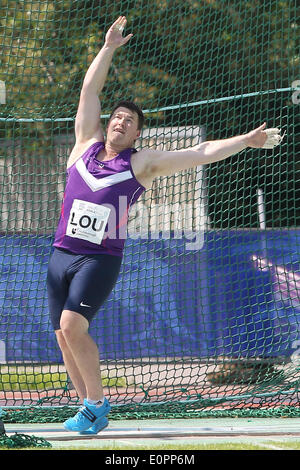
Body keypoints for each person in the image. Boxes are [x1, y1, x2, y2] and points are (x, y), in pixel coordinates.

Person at [46, 16, 283, 434]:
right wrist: (108, 48)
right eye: (117, 116)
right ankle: (86, 406)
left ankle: (97, 405)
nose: (120, 122)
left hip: (98, 259)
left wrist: (244, 140)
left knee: (72, 326)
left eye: (129, 121)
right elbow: (89, 91)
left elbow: (201, 151)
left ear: (138, 133)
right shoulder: (83, 145)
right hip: (61, 255)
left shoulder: (142, 162)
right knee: (64, 338)